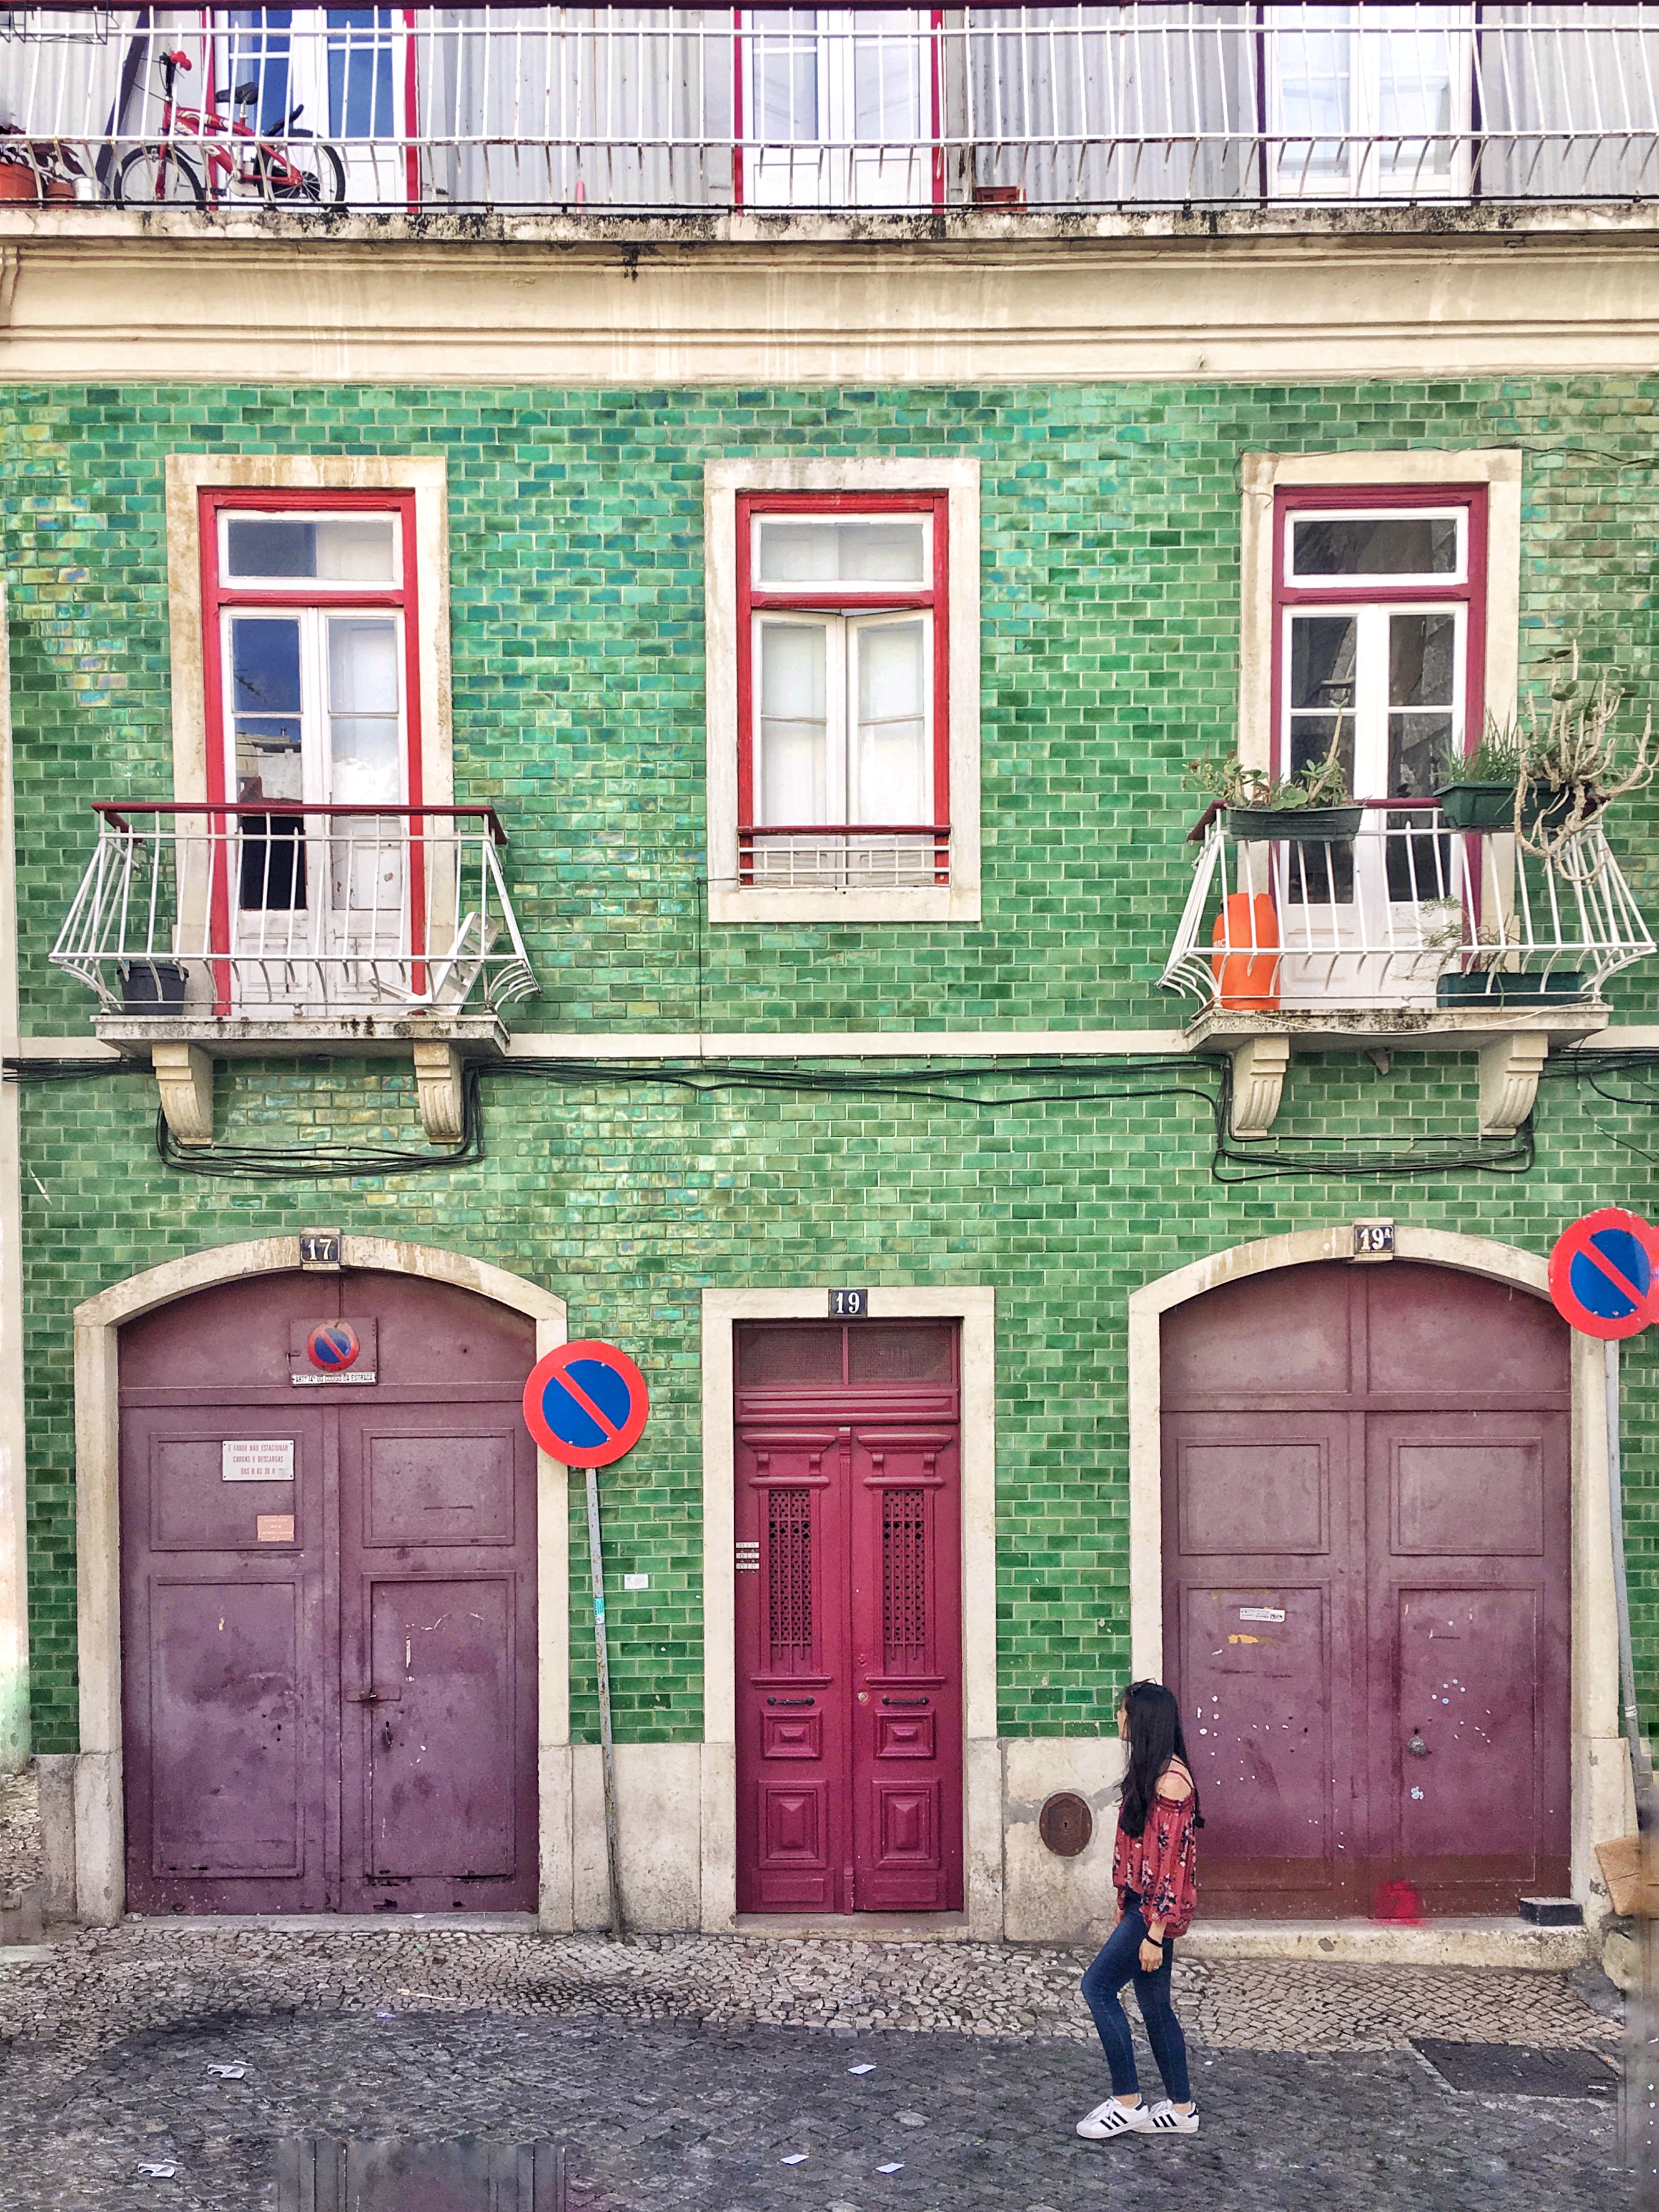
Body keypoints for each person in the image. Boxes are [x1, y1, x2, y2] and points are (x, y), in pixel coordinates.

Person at [1076, 1678, 1203, 2140]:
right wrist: (1122, 1899)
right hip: (1139, 1904)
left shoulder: (1171, 1782)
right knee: (1154, 2004)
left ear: (1143, 1720)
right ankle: (1182, 2108)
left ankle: (1128, 2100)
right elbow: (1136, 1850)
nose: (1118, 1718)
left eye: (1124, 1711)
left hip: (1152, 1911)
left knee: (1098, 1988)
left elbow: (1171, 1866)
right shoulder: (1151, 1773)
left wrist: (1153, 1932)